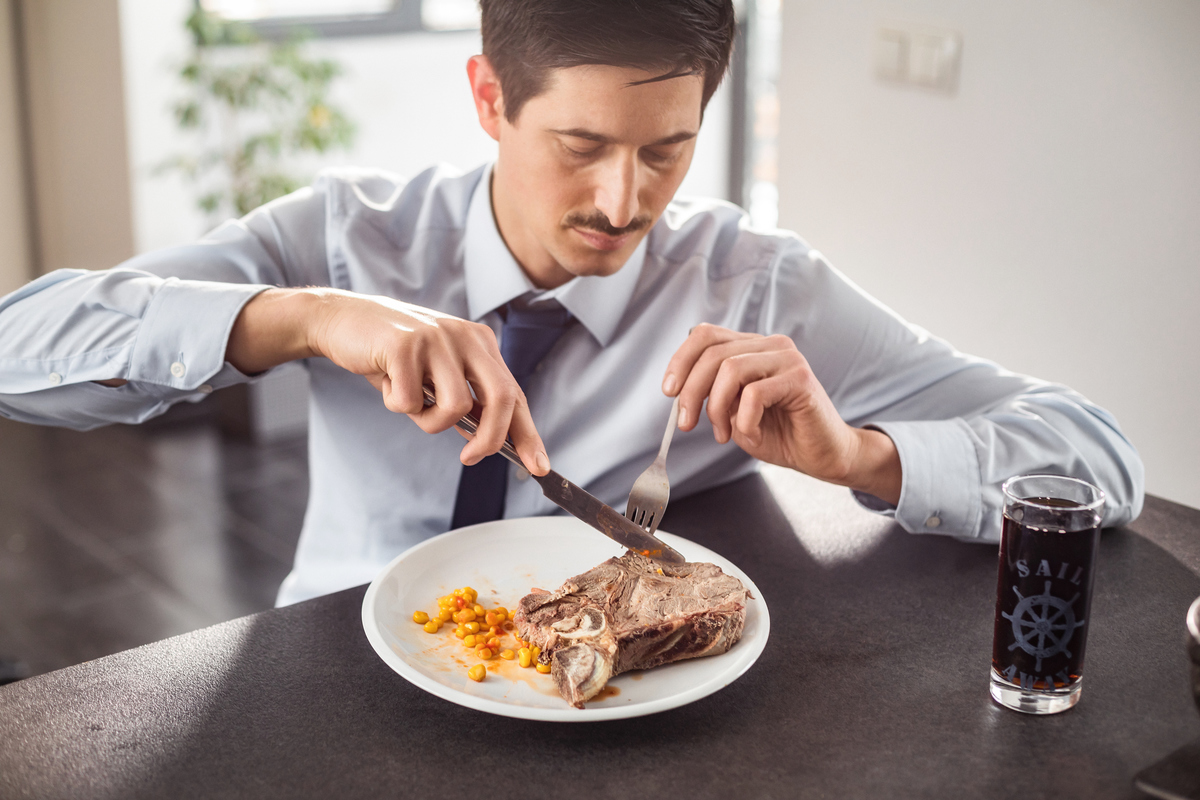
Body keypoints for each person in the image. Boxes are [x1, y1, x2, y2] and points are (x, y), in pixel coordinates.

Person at [0, 0, 1142, 605]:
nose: (621, 198)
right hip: (330, 664)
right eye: (581, 145)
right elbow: (19, 350)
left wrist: (862, 456)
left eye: (668, 151)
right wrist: (301, 317)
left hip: (626, 701)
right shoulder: (347, 234)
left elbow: (1094, 458)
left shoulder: (757, 281)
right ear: (489, 98)